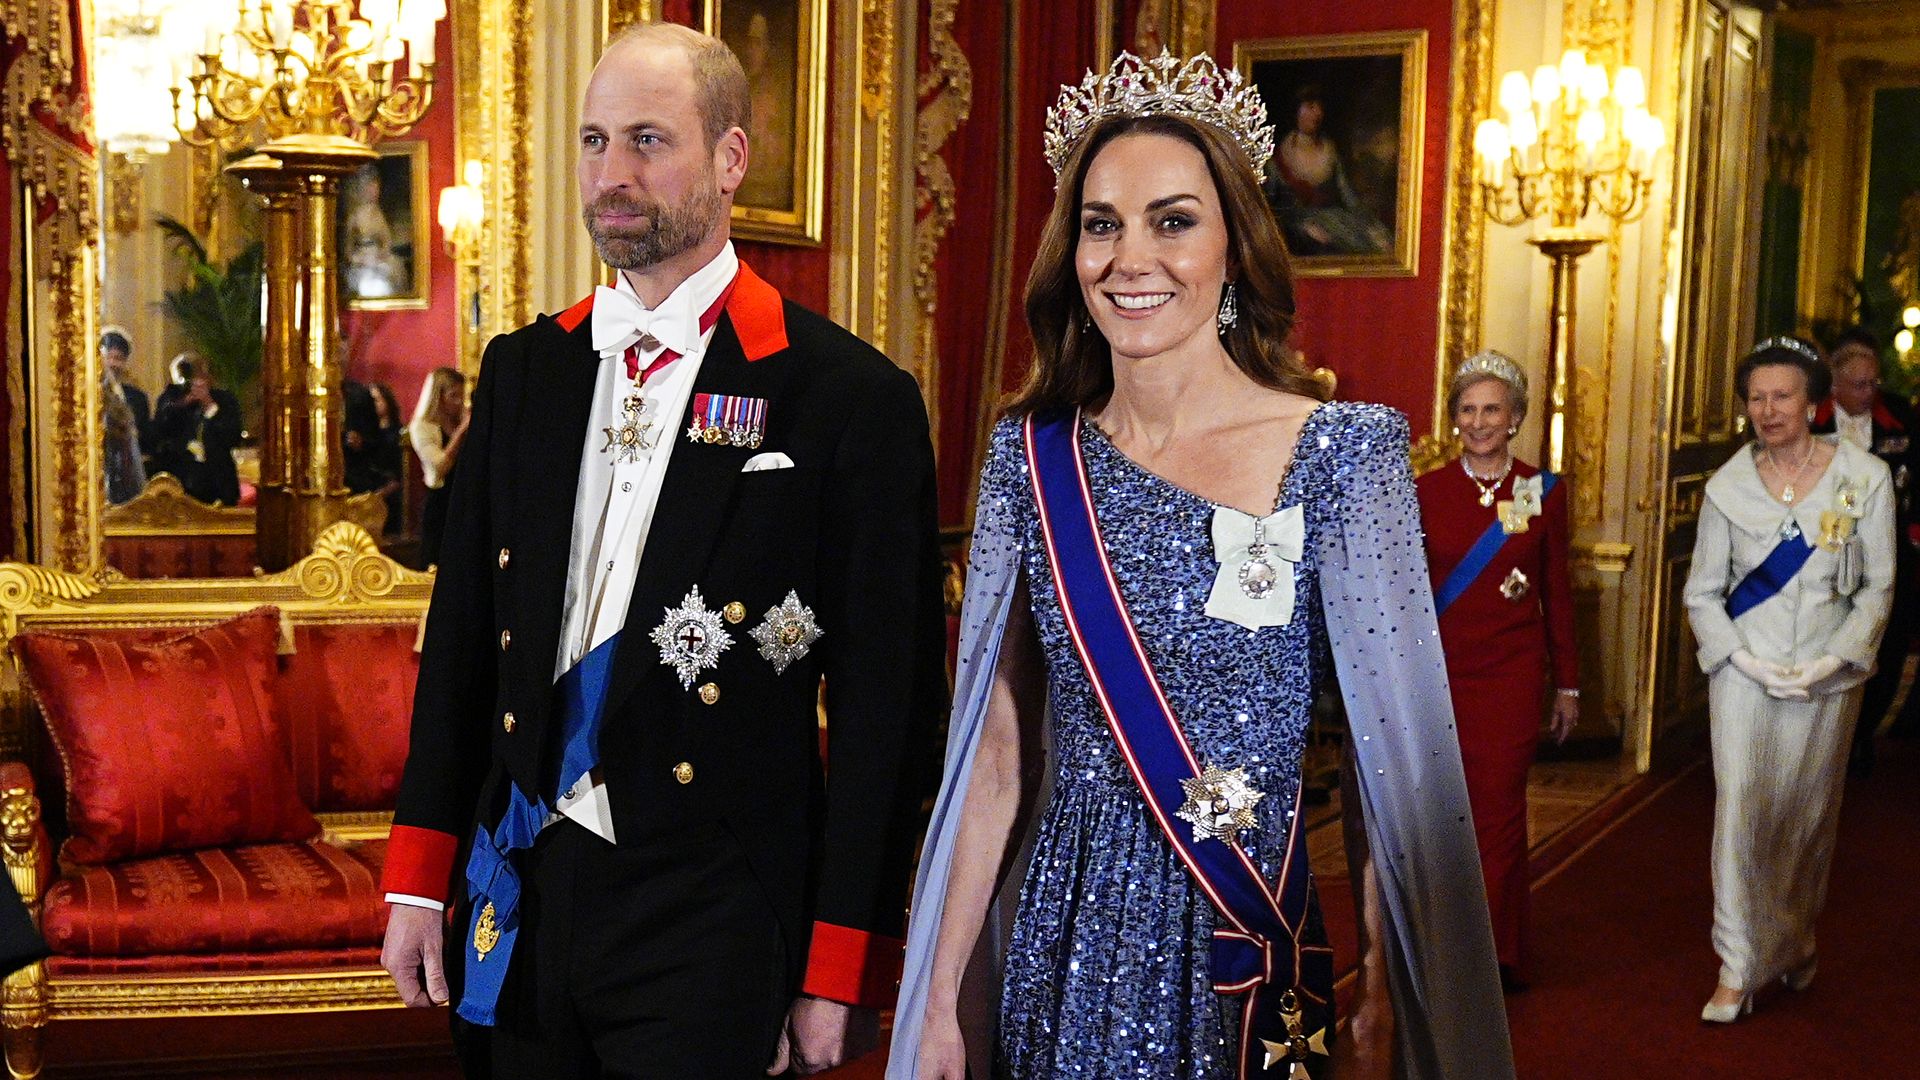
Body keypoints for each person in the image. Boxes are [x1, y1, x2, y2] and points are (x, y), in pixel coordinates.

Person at [891, 50, 1512, 1080]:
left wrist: (1386, 985)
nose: (1131, 257)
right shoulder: (1030, 456)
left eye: (1172, 220)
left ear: (1234, 244)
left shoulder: (1345, 452)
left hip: (1249, 928)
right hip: (1069, 936)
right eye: (1102, 224)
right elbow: (994, 755)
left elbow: (1384, 758)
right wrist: (942, 999)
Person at [379, 23, 946, 1079]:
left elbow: (888, 713)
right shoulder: (523, 374)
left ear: (731, 160)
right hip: (521, 885)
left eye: (648, 140)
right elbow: (461, 639)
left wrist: (838, 966)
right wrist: (419, 874)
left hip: (711, 904)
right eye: (595, 142)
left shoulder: (844, 398)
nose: (613, 176)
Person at [1683, 336, 1894, 1023]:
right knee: (1741, 811)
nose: (1768, 410)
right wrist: (1740, 659)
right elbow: (1703, 593)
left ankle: (1797, 937)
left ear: (1812, 402)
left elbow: (1877, 587)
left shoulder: (1863, 479)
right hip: (1744, 674)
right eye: (1756, 398)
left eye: (1782, 396)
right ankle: (1738, 965)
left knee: (1805, 820)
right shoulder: (1727, 487)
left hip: (1826, 680)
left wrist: (1833, 661)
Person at [1414, 351, 1578, 991]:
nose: (1479, 422)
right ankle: (1442, 946)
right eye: (1467, 409)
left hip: (1511, 675)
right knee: (1440, 811)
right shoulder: (1424, 490)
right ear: (1454, 418)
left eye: (1492, 410)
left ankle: (1499, 949)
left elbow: (1555, 590)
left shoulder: (1542, 491)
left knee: (1500, 811)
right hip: (1442, 671)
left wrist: (1567, 683)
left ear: (1515, 419)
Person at [1812, 328, 1920, 774]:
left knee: (1888, 643)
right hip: (1825, 548)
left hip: (1888, 548)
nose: (1870, 391)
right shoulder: (1810, 419)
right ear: (1834, 385)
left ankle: (1861, 734)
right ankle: (1828, 736)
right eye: (1860, 384)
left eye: (1874, 382)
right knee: (1829, 638)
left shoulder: (1898, 416)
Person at [1266, 84, 1389, 257]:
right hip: (1299, 229)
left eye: (1320, 107)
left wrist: (1368, 223)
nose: (1318, 113)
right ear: (1296, 112)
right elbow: (1270, 206)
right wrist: (1301, 225)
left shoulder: (1330, 151)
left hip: (1335, 221)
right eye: (1310, 107)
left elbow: (1348, 196)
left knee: (1374, 242)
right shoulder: (1279, 159)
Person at [149, 356, 243, 506]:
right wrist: (184, 403)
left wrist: (209, 405)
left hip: (217, 483)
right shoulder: (171, 399)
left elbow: (233, 436)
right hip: (181, 482)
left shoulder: (225, 400)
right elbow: (159, 432)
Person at [407, 367, 467, 568]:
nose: (459, 402)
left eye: (461, 395)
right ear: (439, 397)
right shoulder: (422, 427)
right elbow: (439, 466)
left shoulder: (458, 421)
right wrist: (461, 432)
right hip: (441, 501)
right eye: (453, 396)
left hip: (464, 499)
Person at [99, 327, 149, 505]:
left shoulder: (138, 398)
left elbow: (145, 436)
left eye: (118, 359)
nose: (113, 363)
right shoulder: (89, 396)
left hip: (129, 475)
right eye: (109, 357)